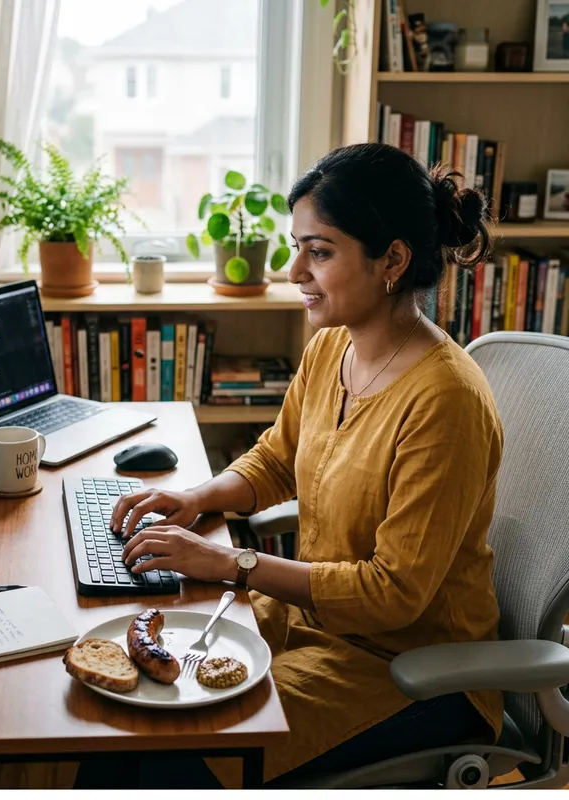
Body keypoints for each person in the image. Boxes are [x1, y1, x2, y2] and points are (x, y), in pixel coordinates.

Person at [75, 142, 504, 788]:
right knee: (120, 715)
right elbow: (278, 458)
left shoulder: (447, 402)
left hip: (408, 670)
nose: (295, 268)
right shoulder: (333, 347)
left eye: (320, 251)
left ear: (392, 260)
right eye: (298, 244)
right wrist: (200, 497)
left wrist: (232, 563)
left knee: (173, 750)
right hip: (310, 625)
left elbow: (394, 593)